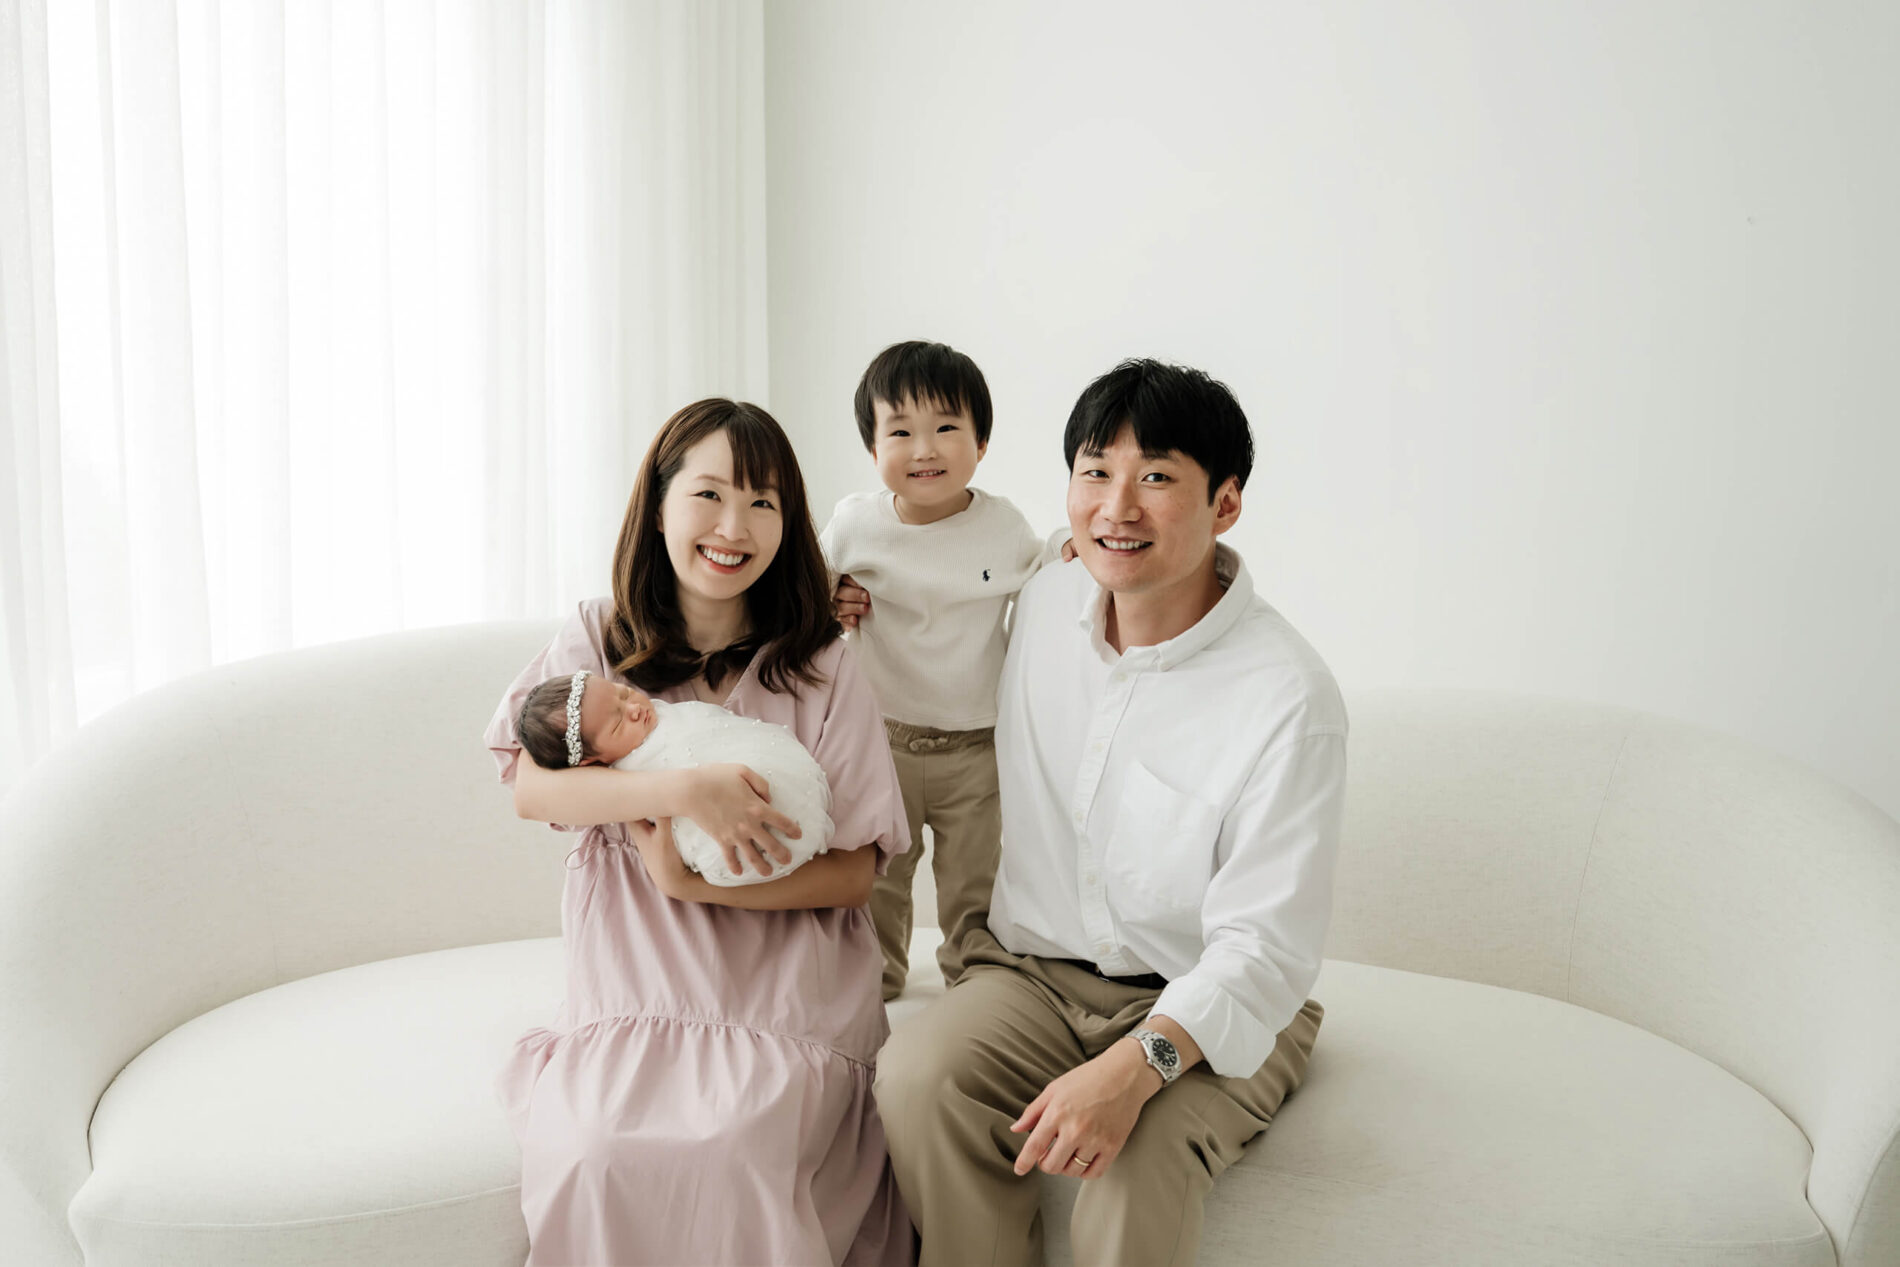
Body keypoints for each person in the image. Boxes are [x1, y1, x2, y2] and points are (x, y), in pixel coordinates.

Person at [872, 359, 1347, 1267]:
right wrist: (851, 596)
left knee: (1130, 1164)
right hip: (1033, 977)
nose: (1117, 507)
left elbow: (1261, 950)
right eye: (1096, 472)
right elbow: (926, 580)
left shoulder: (1289, 698)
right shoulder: (1043, 597)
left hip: (1203, 1004)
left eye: (1158, 477)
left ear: (1228, 503)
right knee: (916, 1077)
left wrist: (1134, 1070)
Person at [484, 398, 914, 1266]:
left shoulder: (822, 663)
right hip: (636, 980)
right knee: (595, 1150)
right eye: (710, 494)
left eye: (763, 502)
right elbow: (531, 788)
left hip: (788, 985)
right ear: (661, 502)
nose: (734, 525)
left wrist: (695, 879)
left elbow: (856, 871)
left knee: (738, 1149)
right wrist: (687, 788)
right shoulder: (597, 641)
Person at [819, 340, 1046, 1000]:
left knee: (974, 876)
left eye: (947, 427)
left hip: (974, 746)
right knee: (880, 872)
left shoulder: (1003, 529)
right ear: (873, 449)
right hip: (879, 738)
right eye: (901, 431)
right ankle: (879, 972)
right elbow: (802, 588)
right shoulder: (855, 523)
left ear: (981, 443)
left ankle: (972, 976)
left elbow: (1050, 586)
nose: (925, 448)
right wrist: (828, 595)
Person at [512, 669, 835, 886]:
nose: (634, 709)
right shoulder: (623, 778)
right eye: (617, 724)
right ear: (592, 761)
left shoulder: (659, 713)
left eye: (622, 694)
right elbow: (528, 798)